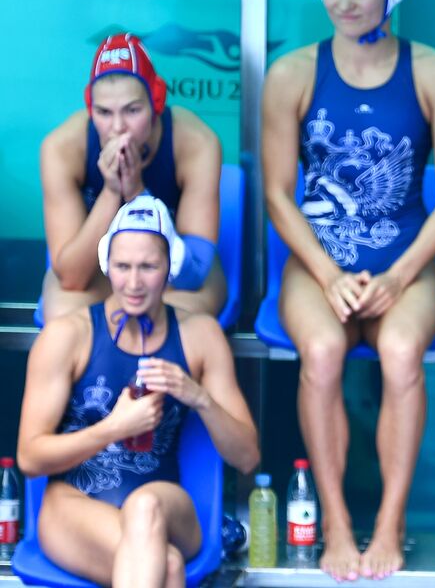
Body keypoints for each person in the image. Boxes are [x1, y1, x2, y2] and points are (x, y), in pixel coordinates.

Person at [262, 0, 435, 582]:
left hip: (406, 264)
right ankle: (338, 523)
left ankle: (389, 523)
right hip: (317, 264)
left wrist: (399, 275)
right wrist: (327, 276)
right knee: (322, 354)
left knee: (401, 352)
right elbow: (276, 194)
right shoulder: (292, 74)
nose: (346, 3)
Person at [17, 195, 260, 588]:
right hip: (73, 507)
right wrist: (112, 428)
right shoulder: (67, 337)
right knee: (164, 567)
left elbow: (247, 457)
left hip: (164, 503)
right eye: (122, 267)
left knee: (144, 508)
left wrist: (199, 396)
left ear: (171, 269)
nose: (133, 283)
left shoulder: (199, 337)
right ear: (106, 267)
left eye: (148, 267)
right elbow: (30, 457)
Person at [40, 32, 226, 321]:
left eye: (132, 110)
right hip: (101, 268)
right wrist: (112, 193)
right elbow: (72, 278)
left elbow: (193, 275)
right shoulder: (62, 148)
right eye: (103, 112)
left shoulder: (196, 144)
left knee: (183, 317)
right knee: (63, 313)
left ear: (156, 102)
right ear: (90, 108)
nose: (117, 127)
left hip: (171, 274)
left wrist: (137, 193)